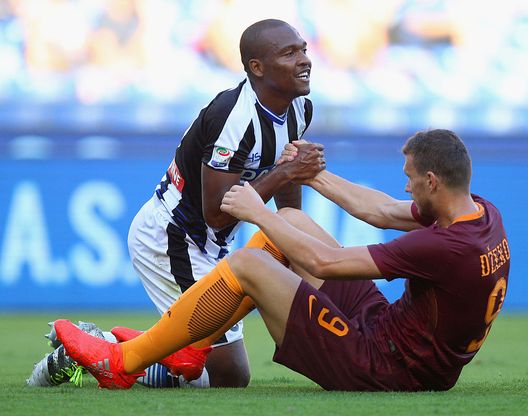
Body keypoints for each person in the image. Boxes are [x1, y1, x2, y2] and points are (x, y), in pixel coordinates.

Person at [54, 129, 510, 391]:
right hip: (395, 335)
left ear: (432, 181)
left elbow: (326, 263)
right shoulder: (480, 214)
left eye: (410, 178)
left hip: (386, 366)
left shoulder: (442, 247)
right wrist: (313, 176)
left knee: (251, 263)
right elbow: (384, 212)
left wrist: (257, 212)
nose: (406, 187)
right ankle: (187, 345)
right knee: (293, 219)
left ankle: (123, 363)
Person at [26, 18, 324, 389]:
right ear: (257, 67)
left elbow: (286, 175)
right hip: (174, 238)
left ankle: (106, 346)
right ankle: (94, 350)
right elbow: (216, 214)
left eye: (303, 50)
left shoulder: (299, 108)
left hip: (211, 244)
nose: (304, 60)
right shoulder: (234, 118)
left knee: (213, 367)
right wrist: (285, 173)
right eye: (289, 53)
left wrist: (290, 230)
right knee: (227, 375)